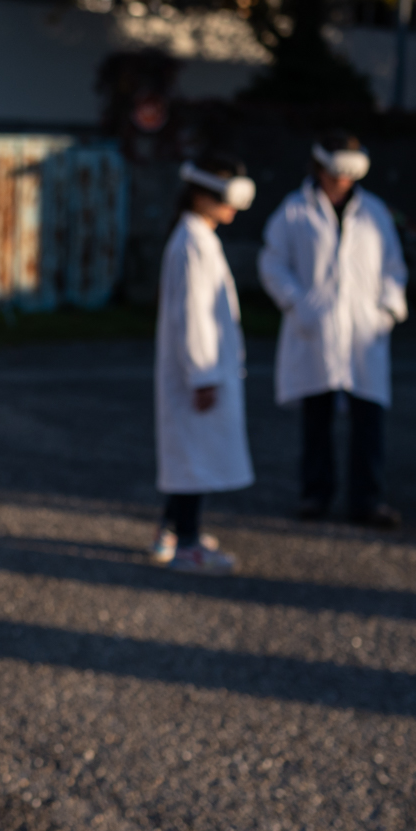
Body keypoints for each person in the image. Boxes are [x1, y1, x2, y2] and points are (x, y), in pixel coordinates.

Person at [257, 131, 408, 528]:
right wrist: (297, 303)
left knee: (369, 419)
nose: (342, 182)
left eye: (348, 174)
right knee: (317, 419)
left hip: (363, 332)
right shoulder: (294, 211)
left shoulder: (374, 212)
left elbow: (393, 267)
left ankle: (368, 500)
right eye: (335, 173)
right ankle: (315, 494)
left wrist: (386, 311)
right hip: (316, 330)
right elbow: (272, 263)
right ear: (320, 169)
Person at [151, 155, 257, 573]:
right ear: (201, 195)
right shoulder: (194, 243)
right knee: (194, 458)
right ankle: (189, 545)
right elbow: (193, 315)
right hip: (199, 370)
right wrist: (203, 375)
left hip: (198, 369)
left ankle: (171, 530)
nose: (235, 207)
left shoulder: (196, 236)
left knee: (188, 455)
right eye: (227, 197)